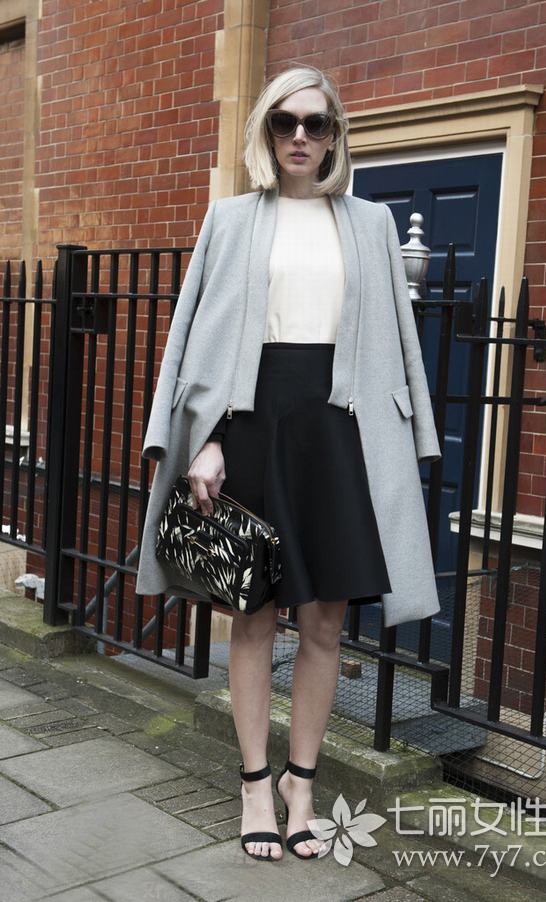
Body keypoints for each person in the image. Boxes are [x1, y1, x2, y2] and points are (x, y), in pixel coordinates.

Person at [137, 63, 442, 863]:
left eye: (316, 123)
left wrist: (415, 435)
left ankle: (300, 785)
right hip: (251, 425)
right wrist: (203, 438)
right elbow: (192, 336)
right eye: (285, 121)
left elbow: (398, 339)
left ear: (336, 135)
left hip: (337, 432)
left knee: (326, 622)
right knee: (252, 613)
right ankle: (252, 785)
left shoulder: (371, 222)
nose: (300, 136)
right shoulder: (232, 218)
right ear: (266, 132)